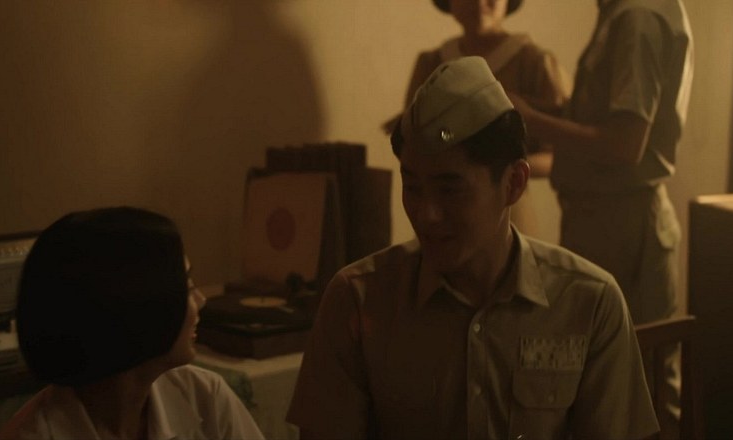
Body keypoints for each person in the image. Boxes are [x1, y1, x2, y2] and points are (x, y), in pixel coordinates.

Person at [288, 56, 658, 440]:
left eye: (450, 190)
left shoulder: (588, 304)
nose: (426, 214)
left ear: (513, 183)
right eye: (412, 187)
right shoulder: (359, 301)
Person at [509, 1, 692, 436]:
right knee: (600, 380)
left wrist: (531, 120)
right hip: (607, 222)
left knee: (643, 389)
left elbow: (624, 144)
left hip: (624, 226)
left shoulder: (638, 17)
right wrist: (529, 108)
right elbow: (603, 117)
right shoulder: (621, 12)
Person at [0, 207, 264, 440]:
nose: (201, 300)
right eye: (186, 287)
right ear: (135, 306)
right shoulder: (33, 434)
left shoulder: (205, 396)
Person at [390, 0, 569, 238]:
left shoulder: (533, 62)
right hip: (440, 207)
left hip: (508, 209)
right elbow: (412, 145)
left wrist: (491, 169)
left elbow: (560, 155)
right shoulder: (431, 63)